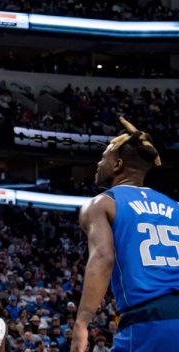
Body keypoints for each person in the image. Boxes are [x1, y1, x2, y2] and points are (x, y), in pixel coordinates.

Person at [71, 117, 178, 352]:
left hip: (147, 320)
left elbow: (103, 257)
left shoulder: (103, 204)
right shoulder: (175, 206)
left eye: (103, 157)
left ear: (118, 165)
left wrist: (81, 322)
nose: (98, 163)